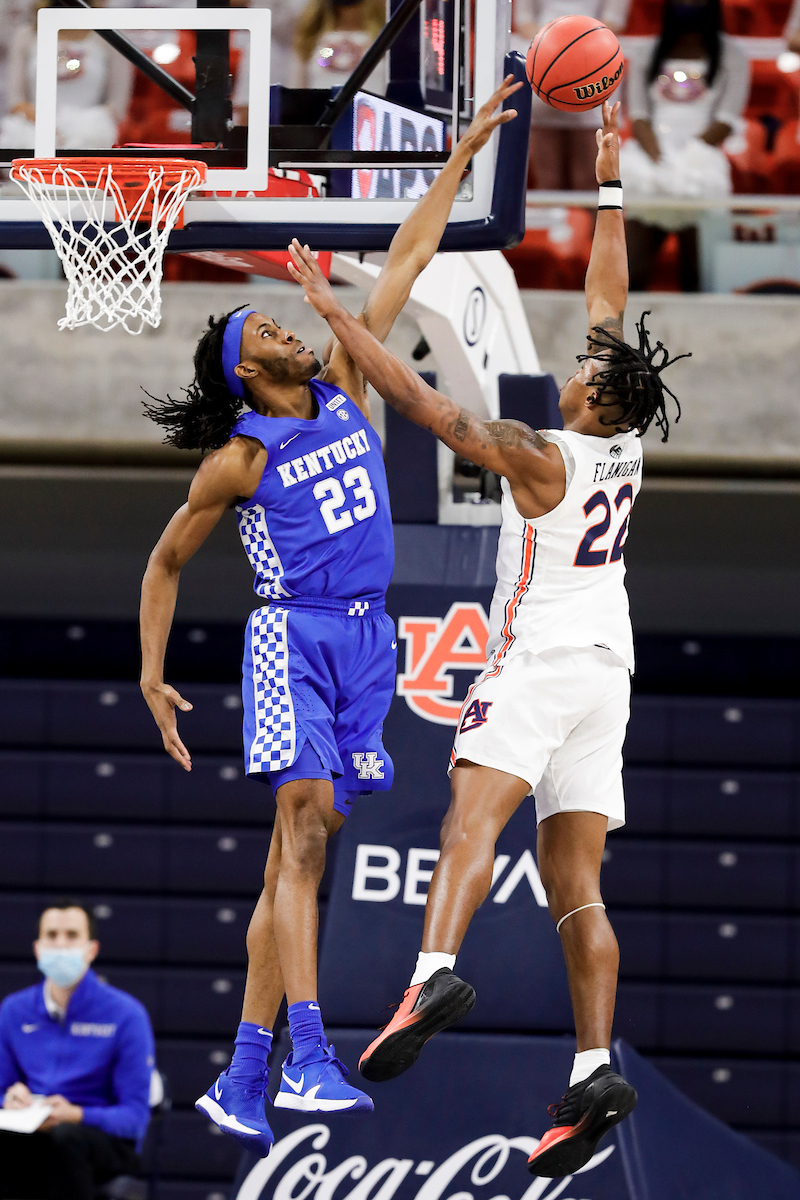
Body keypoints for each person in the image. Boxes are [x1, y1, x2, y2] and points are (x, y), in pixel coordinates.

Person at [287, 100, 689, 1178]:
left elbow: (419, 401)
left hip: (543, 655)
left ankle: (430, 971)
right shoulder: (623, 447)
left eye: (582, 373)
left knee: (468, 813)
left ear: (592, 400)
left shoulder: (540, 452)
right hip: (610, 672)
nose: (572, 366)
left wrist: (336, 314)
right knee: (578, 887)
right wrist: (606, 186)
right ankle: (590, 1066)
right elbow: (609, 297)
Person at [138, 78, 521, 1158]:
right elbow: (165, 561)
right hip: (293, 633)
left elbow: (403, 257)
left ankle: (242, 1077)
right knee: (303, 832)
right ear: (247, 370)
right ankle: (305, 1050)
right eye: (268, 326)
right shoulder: (242, 457)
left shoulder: (349, 380)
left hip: (366, 640)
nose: (291, 328)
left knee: (294, 859)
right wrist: (149, 672)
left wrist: (462, 156)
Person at [0, 901, 155, 1200]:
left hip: (100, 1142)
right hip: (33, 1134)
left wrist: (76, 1114)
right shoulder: (13, 1011)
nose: (60, 945)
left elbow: (134, 1119)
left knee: (65, 1139)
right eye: (52, 935)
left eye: (71, 935)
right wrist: (10, 1098)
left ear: (91, 949)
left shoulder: (126, 1015)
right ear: (37, 948)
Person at [620, 0, 750, 290]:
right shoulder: (647, 53)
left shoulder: (733, 55)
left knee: (699, 274)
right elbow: (639, 116)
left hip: (700, 168)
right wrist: (661, 161)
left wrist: (686, 163)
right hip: (649, 167)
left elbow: (727, 118)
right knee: (630, 271)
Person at [514, 0, 631, 191]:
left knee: (590, 178)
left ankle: (597, 221)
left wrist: (578, 46)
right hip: (545, 61)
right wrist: (553, 47)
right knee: (548, 179)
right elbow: (524, 20)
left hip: (593, 60)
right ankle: (552, 221)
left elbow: (614, 20)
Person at [0, 1, 133, 150]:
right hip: (32, 131)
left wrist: (75, 129)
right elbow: (15, 100)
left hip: (90, 134)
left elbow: (117, 106)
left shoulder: (110, 37)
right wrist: (46, 125)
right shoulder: (26, 36)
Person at [292, 0, 387, 93]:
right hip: (323, 106)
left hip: (368, 106)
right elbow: (298, 88)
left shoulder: (386, 34)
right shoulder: (311, 36)